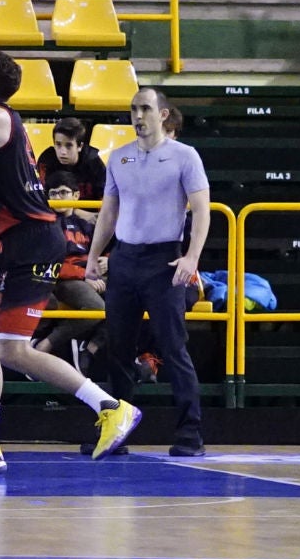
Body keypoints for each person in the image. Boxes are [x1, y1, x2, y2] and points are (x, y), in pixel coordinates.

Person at [0, 49, 142, 471]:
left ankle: (109, 406)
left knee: (13, 350)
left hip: (32, 243)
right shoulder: (1, 124)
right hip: (15, 244)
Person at [85, 87, 210, 458]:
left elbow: (201, 211)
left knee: (173, 348)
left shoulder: (184, 157)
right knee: (118, 348)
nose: (138, 116)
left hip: (164, 261)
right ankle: (116, 432)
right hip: (124, 259)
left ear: (164, 114)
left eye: (145, 109)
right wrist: (94, 256)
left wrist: (191, 258)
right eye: (133, 109)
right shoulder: (119, 157)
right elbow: (109, 212)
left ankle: (191, 433)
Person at [31, 170, 106, 366]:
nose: (58, 197)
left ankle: (90, 347)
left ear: (76, 195)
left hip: (90, 276)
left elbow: (104, 251)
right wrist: (85, 275)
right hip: (62, 280)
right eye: (53, 193)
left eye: (63, 192)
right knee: (96, 308)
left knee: (130, 298)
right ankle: (46, 344)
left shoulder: (86, 225)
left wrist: (107, 261)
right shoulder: (44, 227)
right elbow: (49, 265)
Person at [35, 118, 104, 223]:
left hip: (91, 218)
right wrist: (78, 213)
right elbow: (44, 201)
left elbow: (106, 198)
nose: (62, 152)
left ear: (80, 146)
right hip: (57, 218)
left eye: (69, 146)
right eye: (58, 144)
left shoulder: (94, 162)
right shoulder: (46, 161)